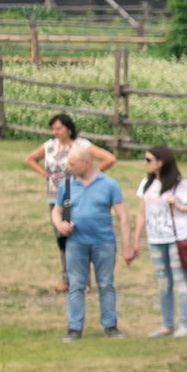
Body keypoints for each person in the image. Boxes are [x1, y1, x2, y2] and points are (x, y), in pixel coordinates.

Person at [52, 141, 124, 338]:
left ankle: (110, 326)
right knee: (76, 285)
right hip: (76, 242)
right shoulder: (66, 185)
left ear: (86, 162)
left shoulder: (109, 184)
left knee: (106, 284)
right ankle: (74, 328)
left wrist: (127, 244)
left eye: (72, 164)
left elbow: (123, 216)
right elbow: (56, 211)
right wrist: (60, 224)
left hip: (104, 242)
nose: (69, 167)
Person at [138, 149, 187, 336]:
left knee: (181, 280)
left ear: (161, 162)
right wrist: (136, 239)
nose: (145, 163)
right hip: (155, 239)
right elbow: (141, 213)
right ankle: (166, 324)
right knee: (163, 282)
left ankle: (185, 324)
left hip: (177, 238)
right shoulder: (146, 183)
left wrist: (179, 205)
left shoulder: (180, 184)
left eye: (148, 159)